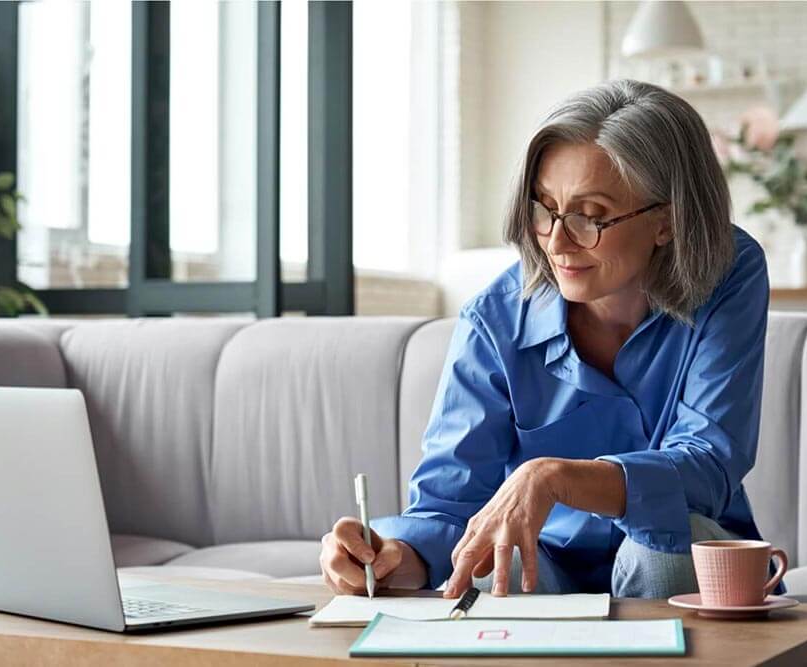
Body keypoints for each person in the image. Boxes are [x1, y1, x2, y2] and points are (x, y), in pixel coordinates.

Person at [319, 79, 776, 600]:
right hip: (547, 564)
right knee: (498, 565)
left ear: (666, 222)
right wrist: (392, 558)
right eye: (544, 209)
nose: (556, 242)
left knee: (665, 544)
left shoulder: (728, 272)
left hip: (678, 559)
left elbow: (709, 461)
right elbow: (450, 506)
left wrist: (555, 477)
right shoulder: (494, 319)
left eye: (590, 216)